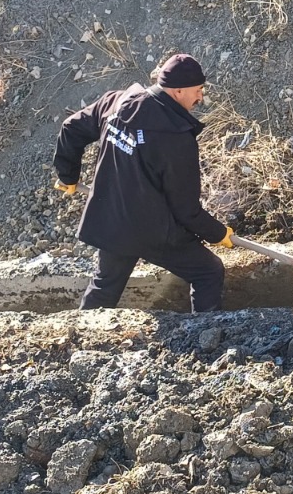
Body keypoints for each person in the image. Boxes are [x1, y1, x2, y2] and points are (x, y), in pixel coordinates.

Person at [53, 53, 234, 311]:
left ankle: (81, 336)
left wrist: (67, 176)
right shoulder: (176, 138)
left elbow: (71, 128)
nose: (200, 97)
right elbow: (186, 210)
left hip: (112, 221)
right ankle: (203, 336)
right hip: (153, 231)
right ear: (178, 90)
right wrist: (218, 233)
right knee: (209, 272)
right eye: (198, 90)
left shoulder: (116, 102)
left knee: (104, 287)